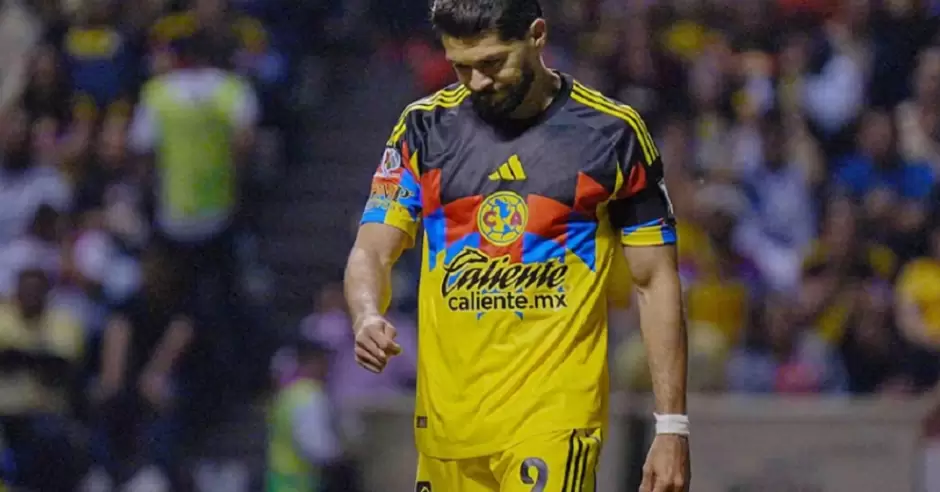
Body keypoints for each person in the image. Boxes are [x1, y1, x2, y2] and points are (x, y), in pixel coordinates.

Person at [342, 1, 690, 491]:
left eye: (492, 62)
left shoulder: (611, 134)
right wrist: (365, 315)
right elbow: (371, 250)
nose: (477, 82)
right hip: (447, 427)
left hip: (553, 418)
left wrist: (672, 426)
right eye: (461, 67)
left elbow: (655, 279)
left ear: (537, 35)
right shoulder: (423, 128)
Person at [266, 337, 341, 492]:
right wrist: (343, 452)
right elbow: (316, 447)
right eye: (324, 361)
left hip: (280, 482)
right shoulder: (310, 396)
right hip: (299, 484)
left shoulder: (288, 393)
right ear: (314, 362)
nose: (328, 368)